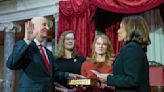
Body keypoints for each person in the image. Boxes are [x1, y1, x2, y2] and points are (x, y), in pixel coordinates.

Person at [6, 16, 80, 92]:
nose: (48, 28)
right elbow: (11, 64)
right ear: (34, 27)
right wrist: (27, 41)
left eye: (47, 25)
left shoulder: (48, 53)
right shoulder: (24, 45)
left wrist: (69, 75)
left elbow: (54, 73)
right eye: (44, 25)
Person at [98, 15, 151, 92]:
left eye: (121, 27)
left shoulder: (132, 48)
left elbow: (133, 80)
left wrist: (108, 79)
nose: (118, 31)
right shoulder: (133, 48)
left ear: (131, 29)